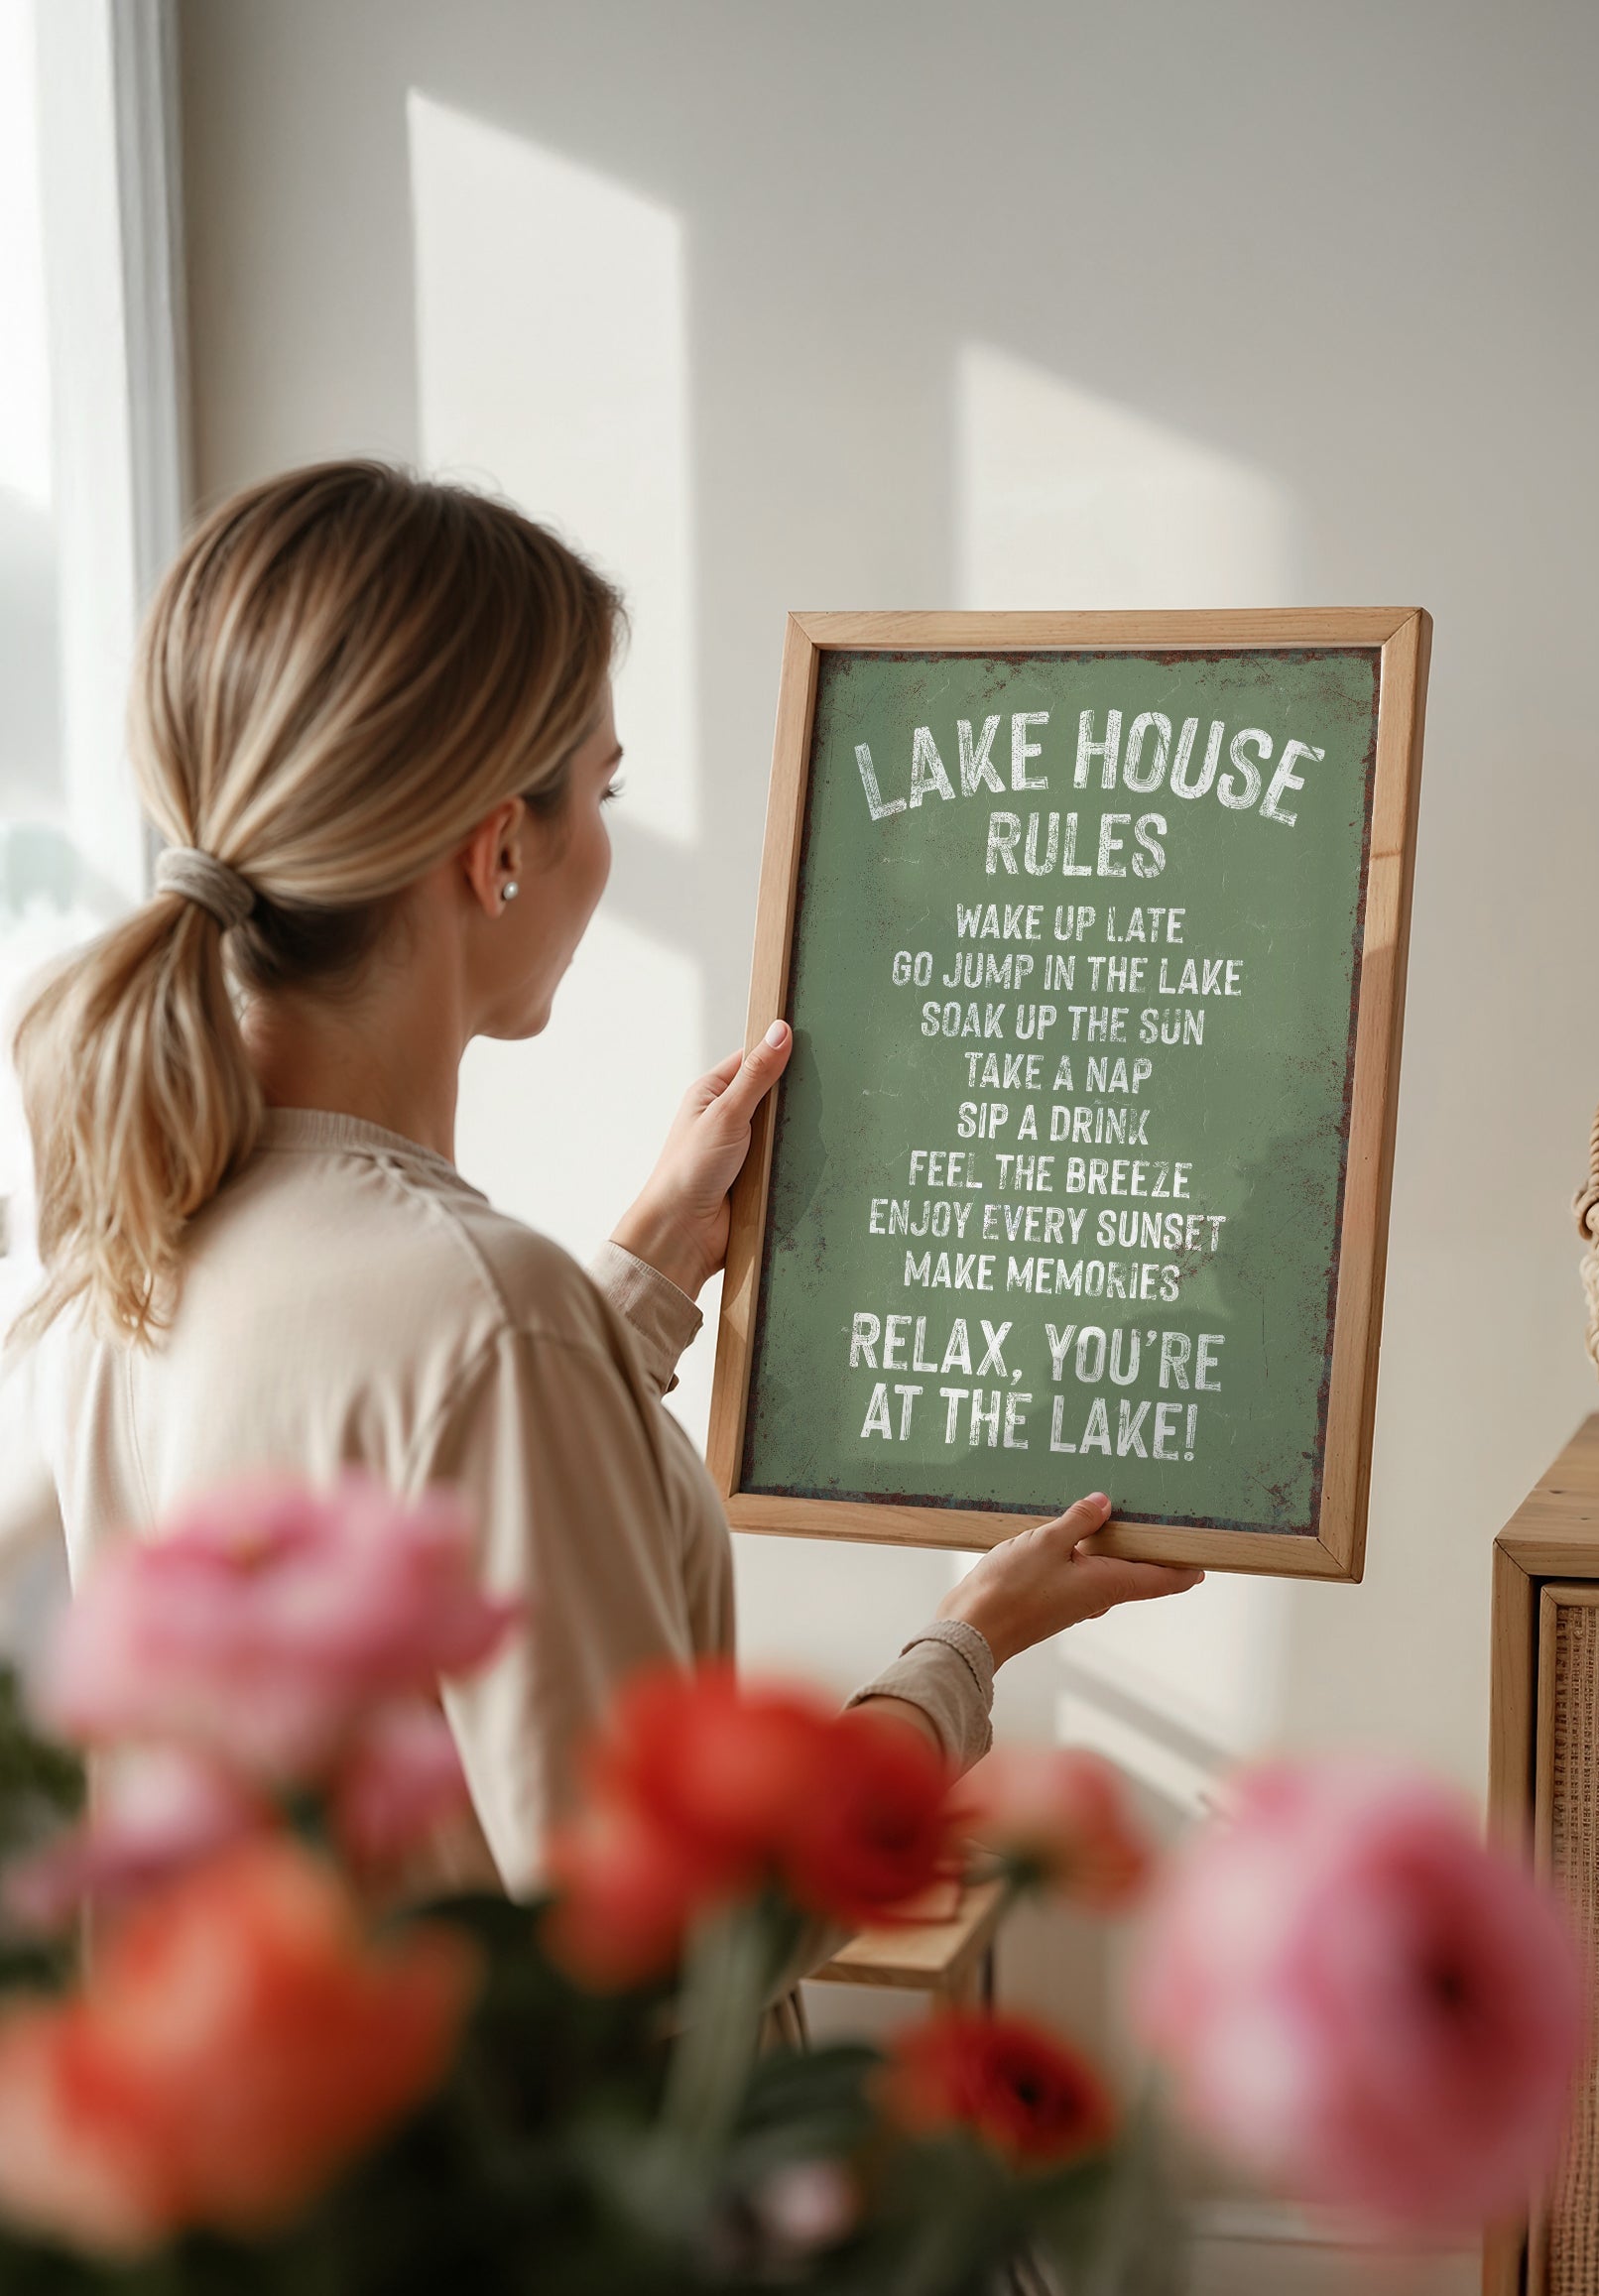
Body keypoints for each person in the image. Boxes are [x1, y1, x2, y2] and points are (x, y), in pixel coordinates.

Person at [0, 460, 1200, 1900]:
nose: (609, 841)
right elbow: (668, 1954)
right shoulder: (485, 1321)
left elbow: (415, 1496)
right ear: (501, 848)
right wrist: (968, 1645)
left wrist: (633, 1277)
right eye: (602, 789)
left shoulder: (135, 1227)